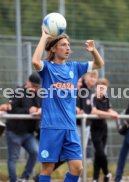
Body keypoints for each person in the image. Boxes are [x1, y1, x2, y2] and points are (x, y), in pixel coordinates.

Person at [32, 28, 104, 182]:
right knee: (47, 169)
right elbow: (35, 61)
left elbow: (99, 64)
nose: (68, 48)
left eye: (68, 45)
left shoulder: (74, 68)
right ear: (53, 48)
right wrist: (44, 37)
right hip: (51, 127)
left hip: (70, 127)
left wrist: (93, 51)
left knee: (77, 168)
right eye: (63, 45)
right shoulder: (47, 68)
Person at [6, 72, 42, 182]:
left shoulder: (37, 94)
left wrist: (40, 110)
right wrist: (28, 110)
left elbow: (40, 106)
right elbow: (11, 110)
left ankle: (24, 177)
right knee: (13, 158)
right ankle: (13, 180)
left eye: (37, 87)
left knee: (35, 152)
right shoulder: (18, 92)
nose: (35, 89)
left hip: (28, 133)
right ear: (28, 82)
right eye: (33, 86)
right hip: (14, 131)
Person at [90, 78, 118, 182]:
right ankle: (107, 173)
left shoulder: (106, 98)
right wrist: (110, 114)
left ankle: (95, 178)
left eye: (104, 88)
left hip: (103, 128)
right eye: (100, 88)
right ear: (96, 88)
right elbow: (94, 111)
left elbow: (109, 109)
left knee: (98, 155)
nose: (102, 91)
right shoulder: (93, 97)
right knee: (101, 153)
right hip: (95, 129)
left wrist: (114, 113)